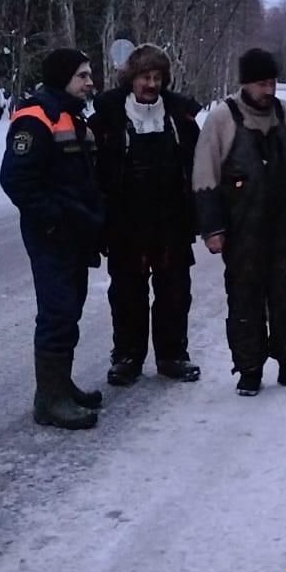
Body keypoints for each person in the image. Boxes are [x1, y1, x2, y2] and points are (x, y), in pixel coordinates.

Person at [192, 48, 286, 396]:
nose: (269, 90)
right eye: (262, 84)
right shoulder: (222, 118)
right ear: (246, 84)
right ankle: (249, 369)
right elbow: (205, 176)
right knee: (245, 299)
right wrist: (213, 229)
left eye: (273, 82)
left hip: (285, 226)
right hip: (242, 230)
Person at [0, 47, 105, 430]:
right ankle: (49, 400)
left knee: (70, 310)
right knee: (57, 313)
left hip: (75, 235)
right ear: (63, 78)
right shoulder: (36, 118)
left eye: (89, 74)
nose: (90, 82)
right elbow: (16, 180)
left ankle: (62, 385)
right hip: (52, 236)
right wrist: (54, 220)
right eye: (82, 75)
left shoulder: (74, 118)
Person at [88, 44, 203, 387]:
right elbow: (93, 173)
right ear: (131, 79)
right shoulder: (107, 119)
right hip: (125, 224)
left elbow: (198, 167)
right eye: (144, 77)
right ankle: (126, 357)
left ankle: (172, 356)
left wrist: (202, 217)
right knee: (126, 296)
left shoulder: (181, 118)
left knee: (175, 293)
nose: (151, 84)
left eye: (157, 77)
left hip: (172, 222)